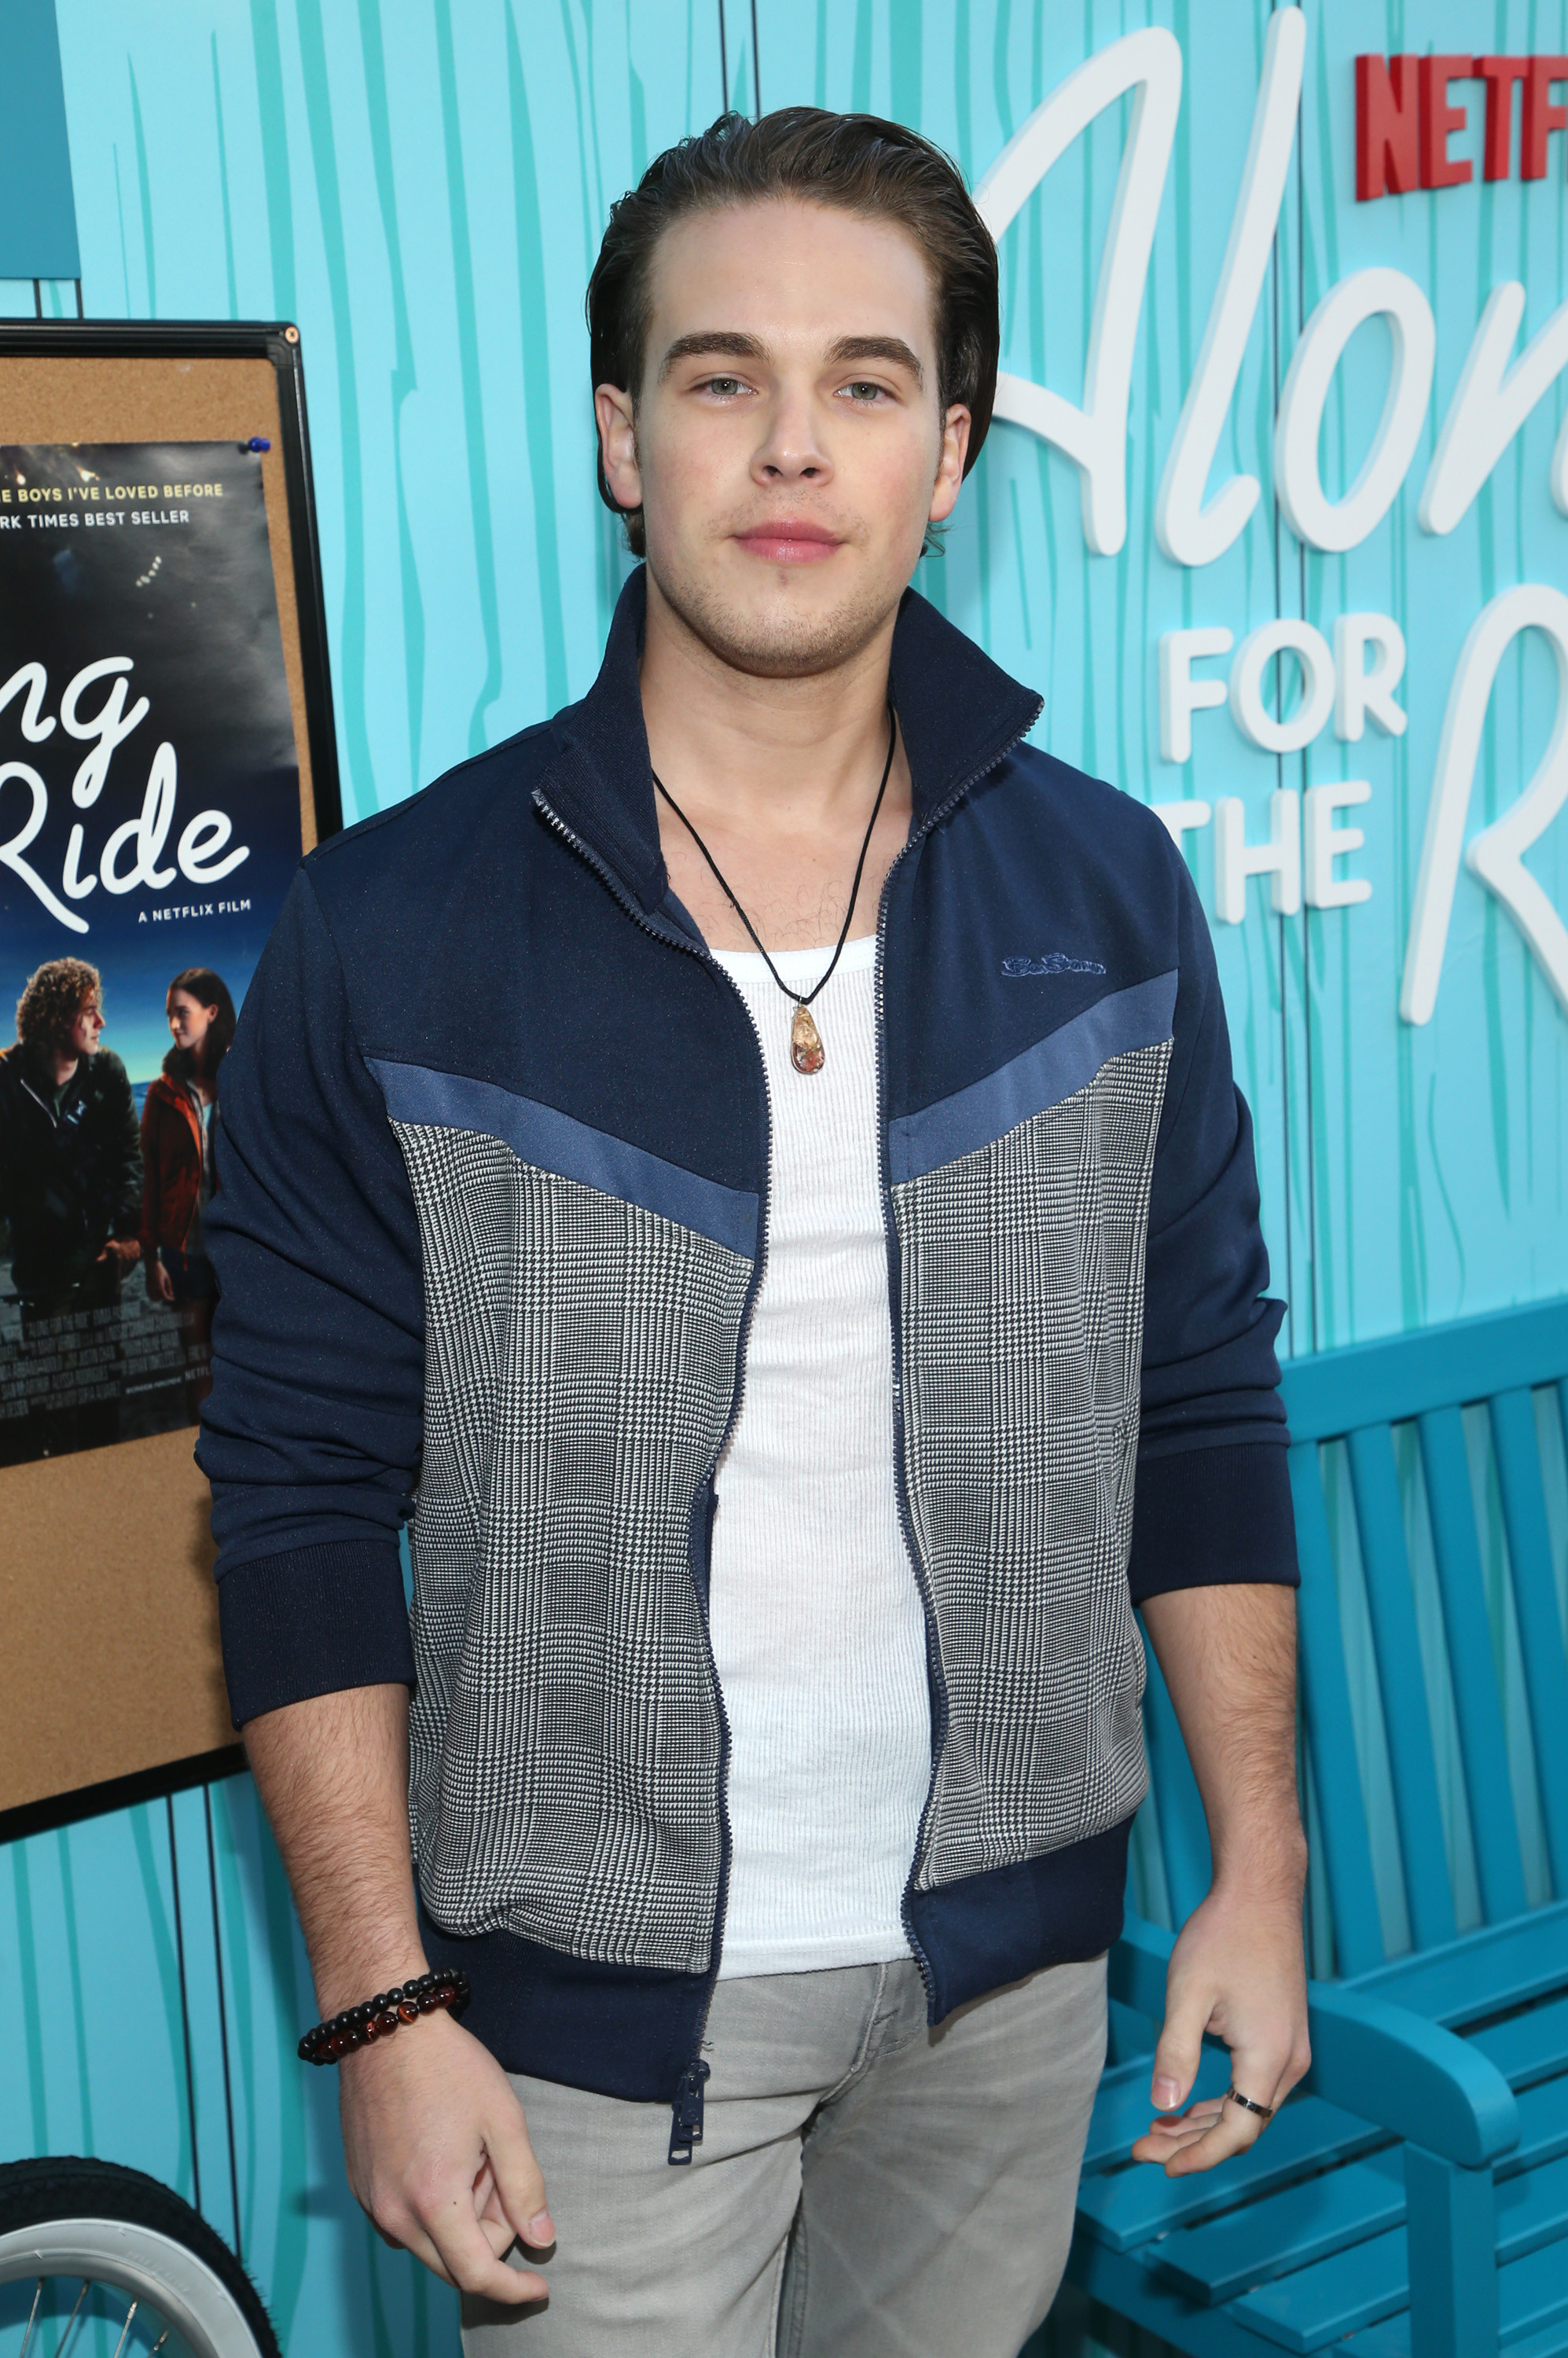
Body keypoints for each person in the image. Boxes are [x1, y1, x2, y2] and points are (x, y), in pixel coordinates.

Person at [200, 109, 1309, 2358]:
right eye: (718, 379)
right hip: (574, 2041)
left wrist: (1260, 1871)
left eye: (865, 384)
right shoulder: (390, 932)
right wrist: (383, 2006)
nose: (791, 445)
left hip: (1008, 1988)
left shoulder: (1105, 902)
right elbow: (295, 1500)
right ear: (622, 440)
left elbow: (1194, 1396)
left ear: (953, 447)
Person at [0, 957, 141, 1456]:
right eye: (90, 1011)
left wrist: (127, 1236)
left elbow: (128, 1155)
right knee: (52, 1399)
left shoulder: (108, 1072)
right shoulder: (7, 1079)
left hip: (102, 1258)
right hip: (42, 1270)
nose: (101, 1022)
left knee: (106, 1387)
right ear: (58, 1017)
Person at [140, 967, 234, 1412]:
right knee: (197, 1365)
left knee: (245, 1361)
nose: (175, 1024)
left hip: (240, 1248)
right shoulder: (161, 1094)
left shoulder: (241, 1077)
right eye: (169, 1015)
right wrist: (150, 1258)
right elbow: (150, 1180)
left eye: (183, 1012)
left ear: (212, 1012)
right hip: (185, 1251)